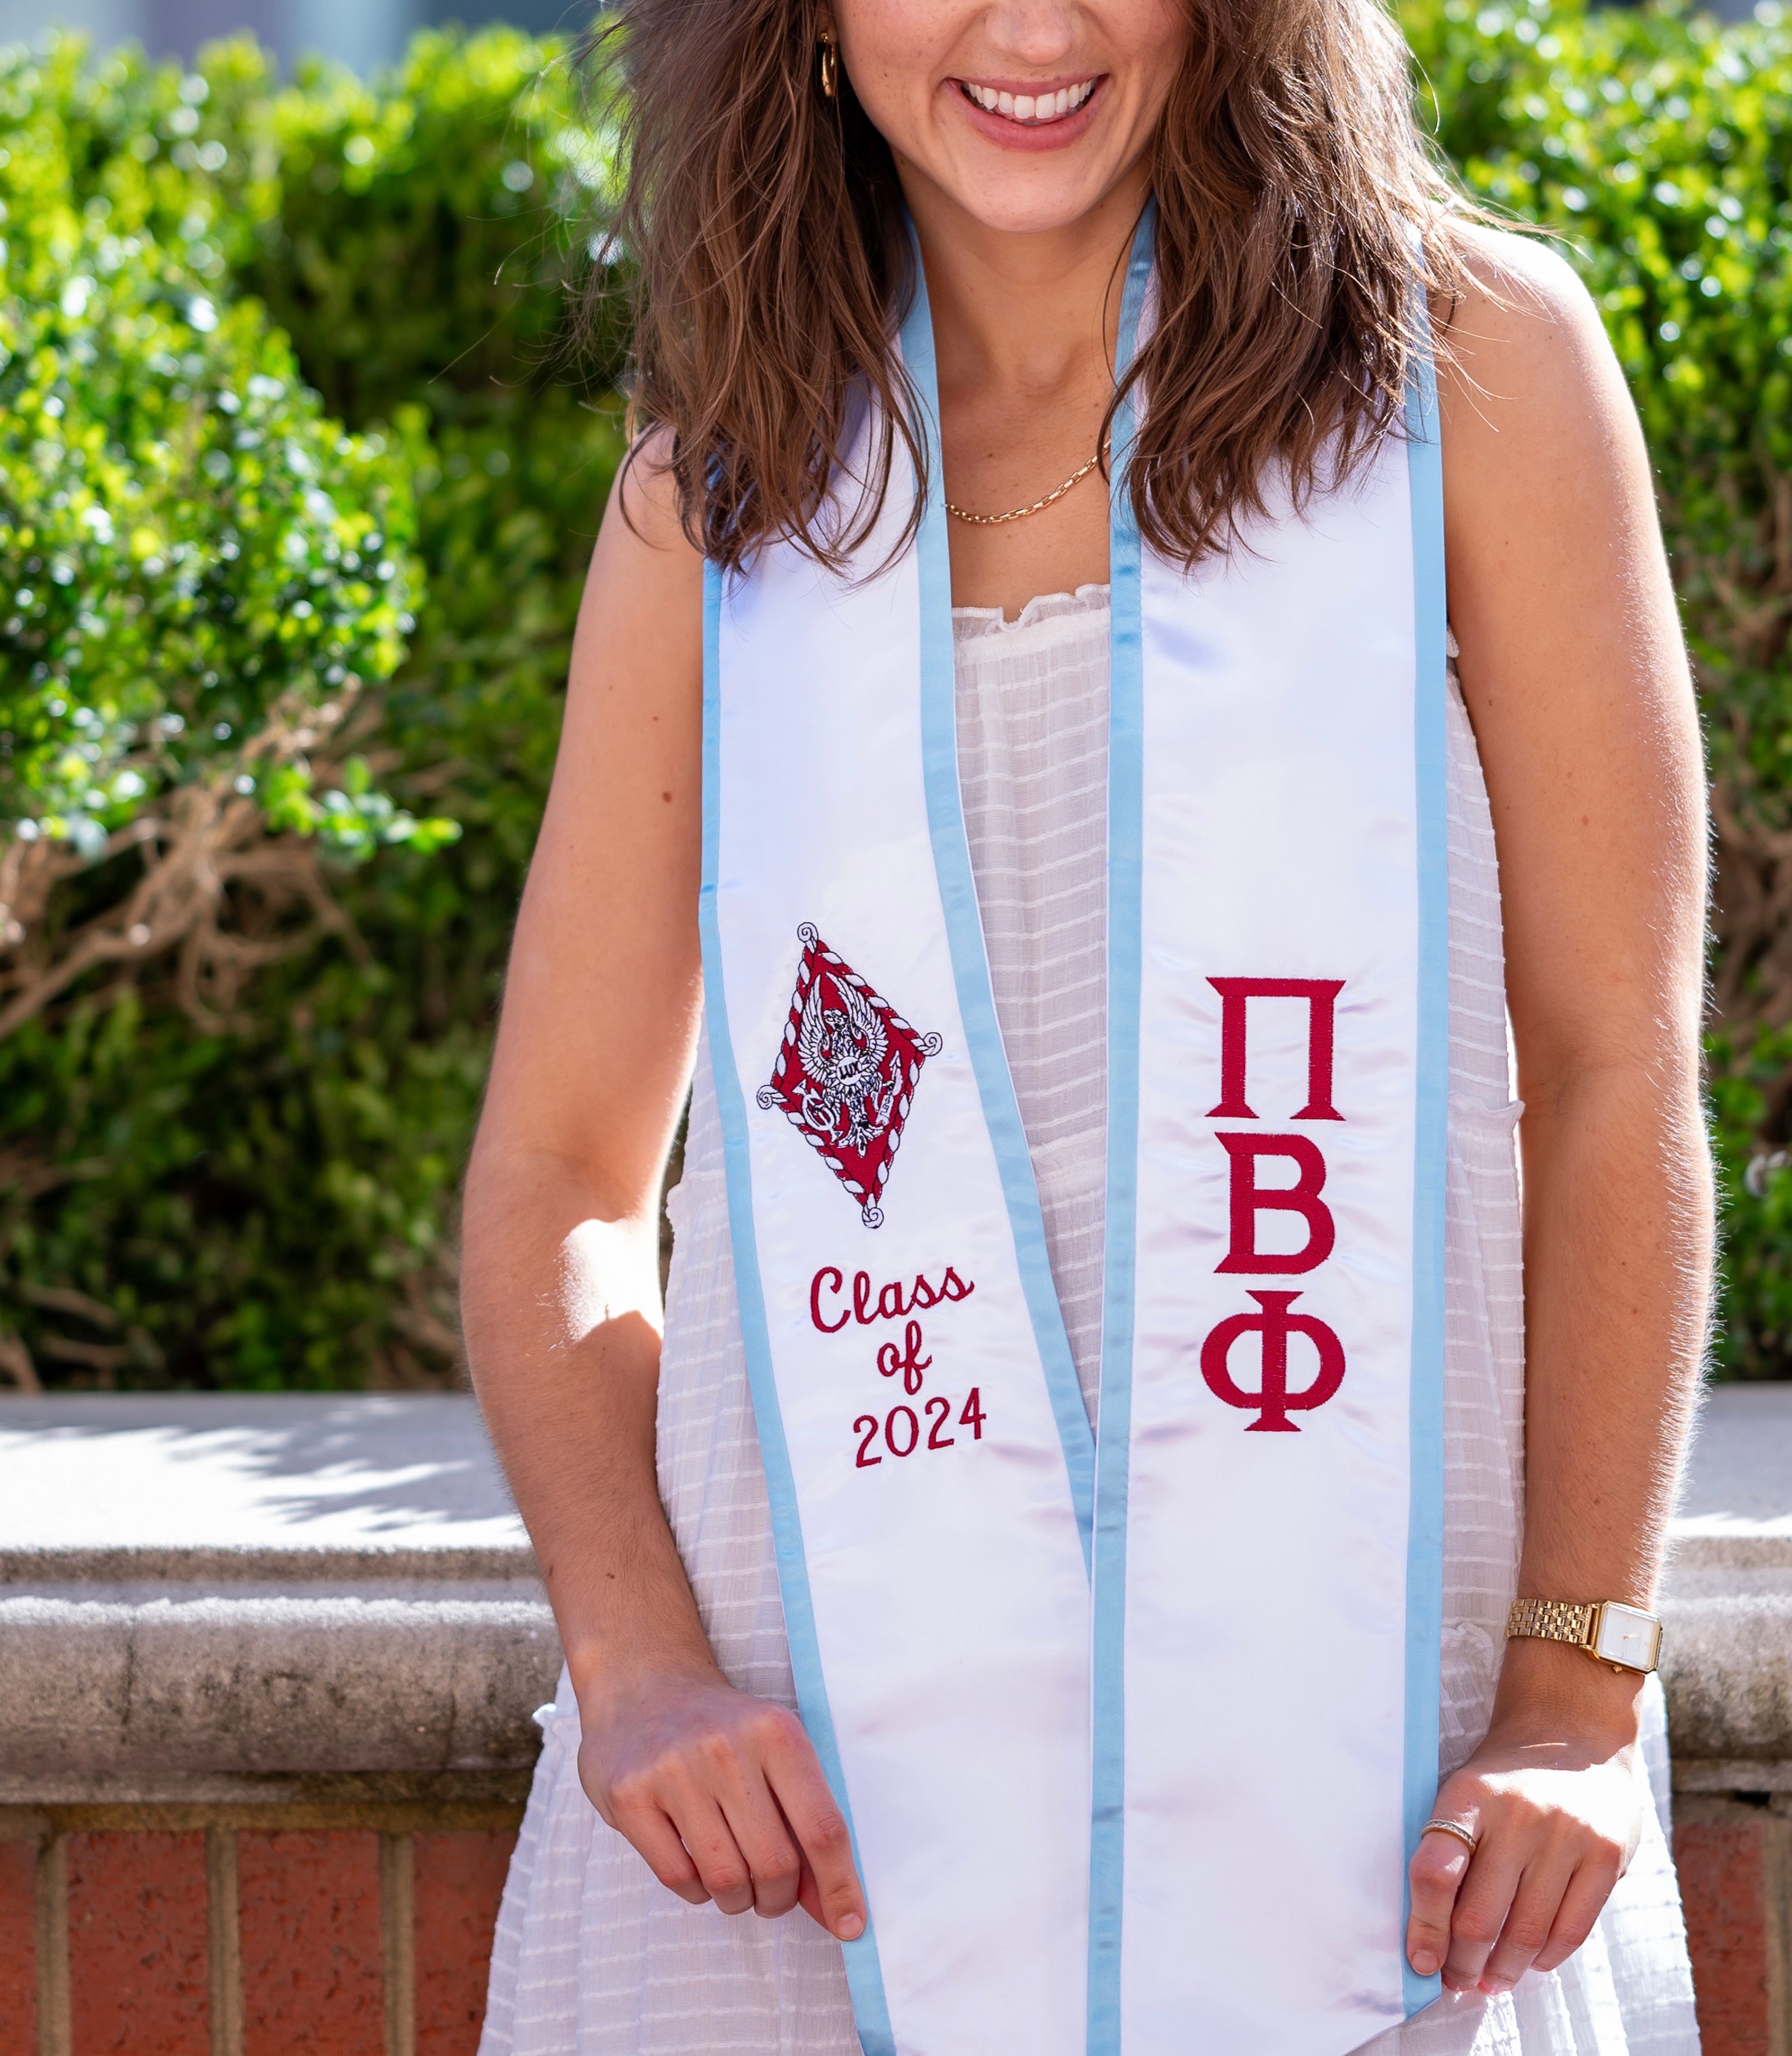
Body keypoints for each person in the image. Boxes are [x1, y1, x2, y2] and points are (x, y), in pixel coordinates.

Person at [462, 0, 1713, 2049]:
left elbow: (1612, 1074)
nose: (1029, 29)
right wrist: (639, 1663)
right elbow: (561, 1174)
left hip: (1369, 1768)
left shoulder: (1470, 373)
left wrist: (1578, 1690)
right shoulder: (726, 498)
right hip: (809, 1810)